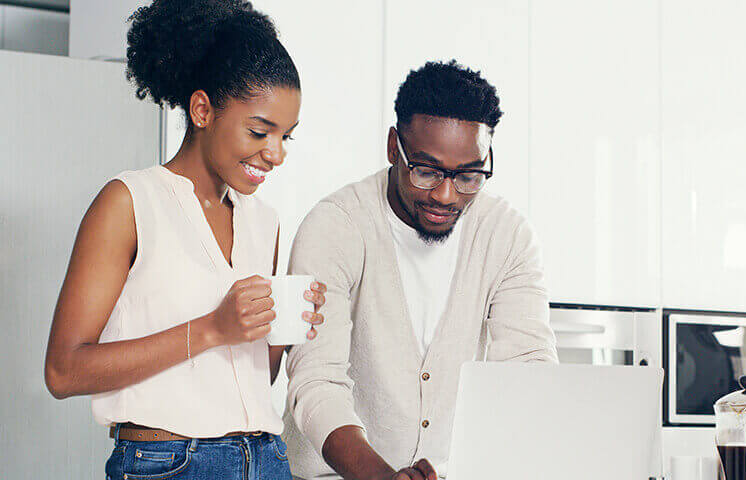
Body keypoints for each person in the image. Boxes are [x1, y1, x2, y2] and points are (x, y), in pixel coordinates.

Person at [43, 1, 325, 479]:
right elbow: (64, 371)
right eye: (260, 131)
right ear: (202, 110)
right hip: (171, 463)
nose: (275, 154)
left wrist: (283, 329)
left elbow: (255, 375)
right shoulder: (130, 202)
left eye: (286, 137)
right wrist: (214, 327)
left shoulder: (265, 221)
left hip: (266, 459)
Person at [282, 60, 559, 480]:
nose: (446, 195)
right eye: (426, 171)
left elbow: (527, 371)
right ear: (394, 147)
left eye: (469, 175)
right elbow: (316, 380)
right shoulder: (334, 226)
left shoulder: (508, 236)